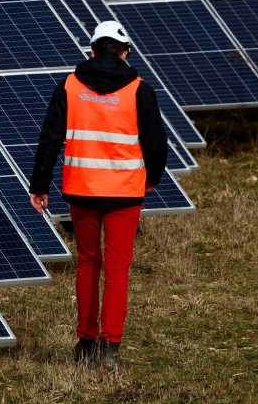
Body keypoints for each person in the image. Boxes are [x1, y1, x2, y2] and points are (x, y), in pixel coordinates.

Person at [29, 21, 167, 369]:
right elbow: (156, 142)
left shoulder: (70, 85)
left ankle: (86, 343)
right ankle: (110, 350)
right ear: (125, 53)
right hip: (125, 191)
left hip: (82, 189)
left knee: (88, 263)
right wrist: (151, 178)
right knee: (117, 268)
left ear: (92, 51)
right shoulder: (139, 89)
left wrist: (39, 185)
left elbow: (50, 138)